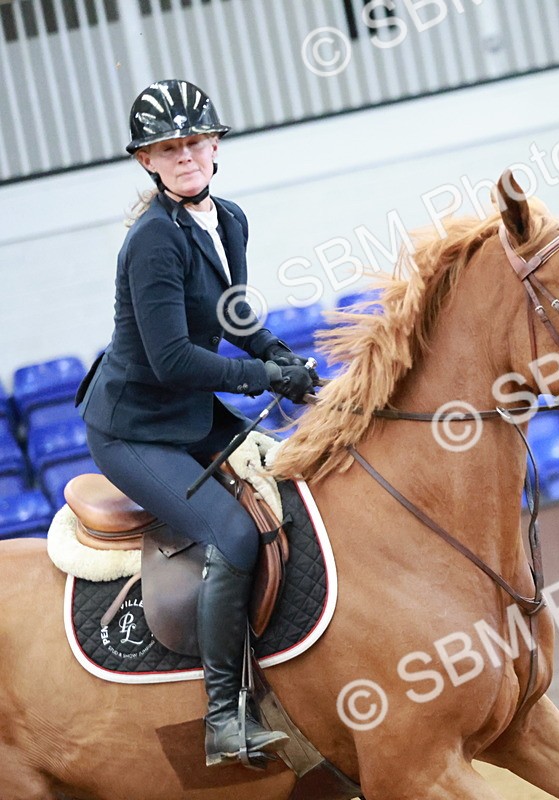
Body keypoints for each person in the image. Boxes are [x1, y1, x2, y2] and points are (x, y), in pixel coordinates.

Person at [75, 79, 314, 767]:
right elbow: (173, 359)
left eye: (194, 142)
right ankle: (223, 718)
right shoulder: (152, 240)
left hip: (186, 412)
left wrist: (276, 352)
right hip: (133, 427)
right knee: (231, 532)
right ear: (146, 161)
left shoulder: (229, 219)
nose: (184, 155)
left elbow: (232, 313)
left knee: (287, 474)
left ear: (214, 147)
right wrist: (262, 377)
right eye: (168, 148)